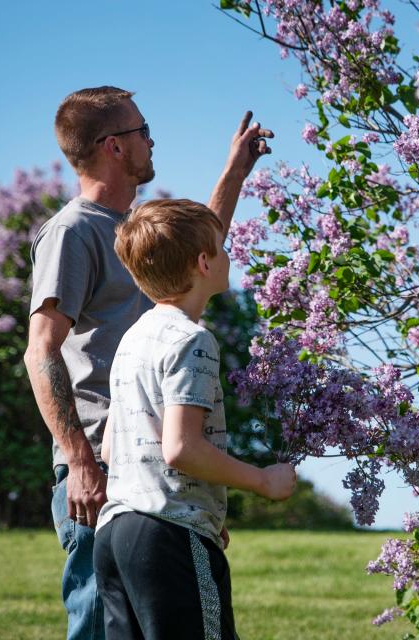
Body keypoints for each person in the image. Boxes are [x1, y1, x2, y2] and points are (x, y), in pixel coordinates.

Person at [23, 86, 272, 640]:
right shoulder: (73, 232)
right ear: (113, 146)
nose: (152, 139)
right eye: (142, 131)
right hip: (99, 465)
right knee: (94, 624)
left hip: (152, 467)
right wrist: (80, 461)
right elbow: (41, 350)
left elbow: (194, 253)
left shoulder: (133, 229)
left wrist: (234, 173)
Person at [94, 198, 297, 639]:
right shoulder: (193, 340)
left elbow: (112, 448)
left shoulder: (133, 339)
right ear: (204, 263)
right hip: (167, 536)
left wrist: (202, 509)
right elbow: (181, 448)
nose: (228, 257)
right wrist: (263, 481)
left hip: (114, 537)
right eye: (223, 249)